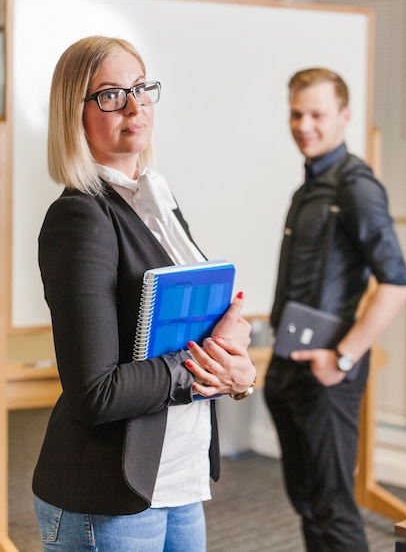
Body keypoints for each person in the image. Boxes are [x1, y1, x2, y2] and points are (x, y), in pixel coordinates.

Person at [32, 35, 256, 552]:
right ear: (76, 113)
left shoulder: (158, 199)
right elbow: (97, 391)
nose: (134, 106)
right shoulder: (80, 216)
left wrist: (238, 376)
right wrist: (206, 368)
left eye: (141, 88)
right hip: (109, 492)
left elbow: (187, 336)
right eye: (110, 94)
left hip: (177, 476)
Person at [264, 67, 406, 552]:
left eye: (317, 114)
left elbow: (397, 283)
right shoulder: (307, 189)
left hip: (328, 377)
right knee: (307, 504)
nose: (304, 124)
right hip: (290, 368)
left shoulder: (356, 186)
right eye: (296, 113)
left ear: (344, 116)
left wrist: (342, 358)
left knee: (333, 509)